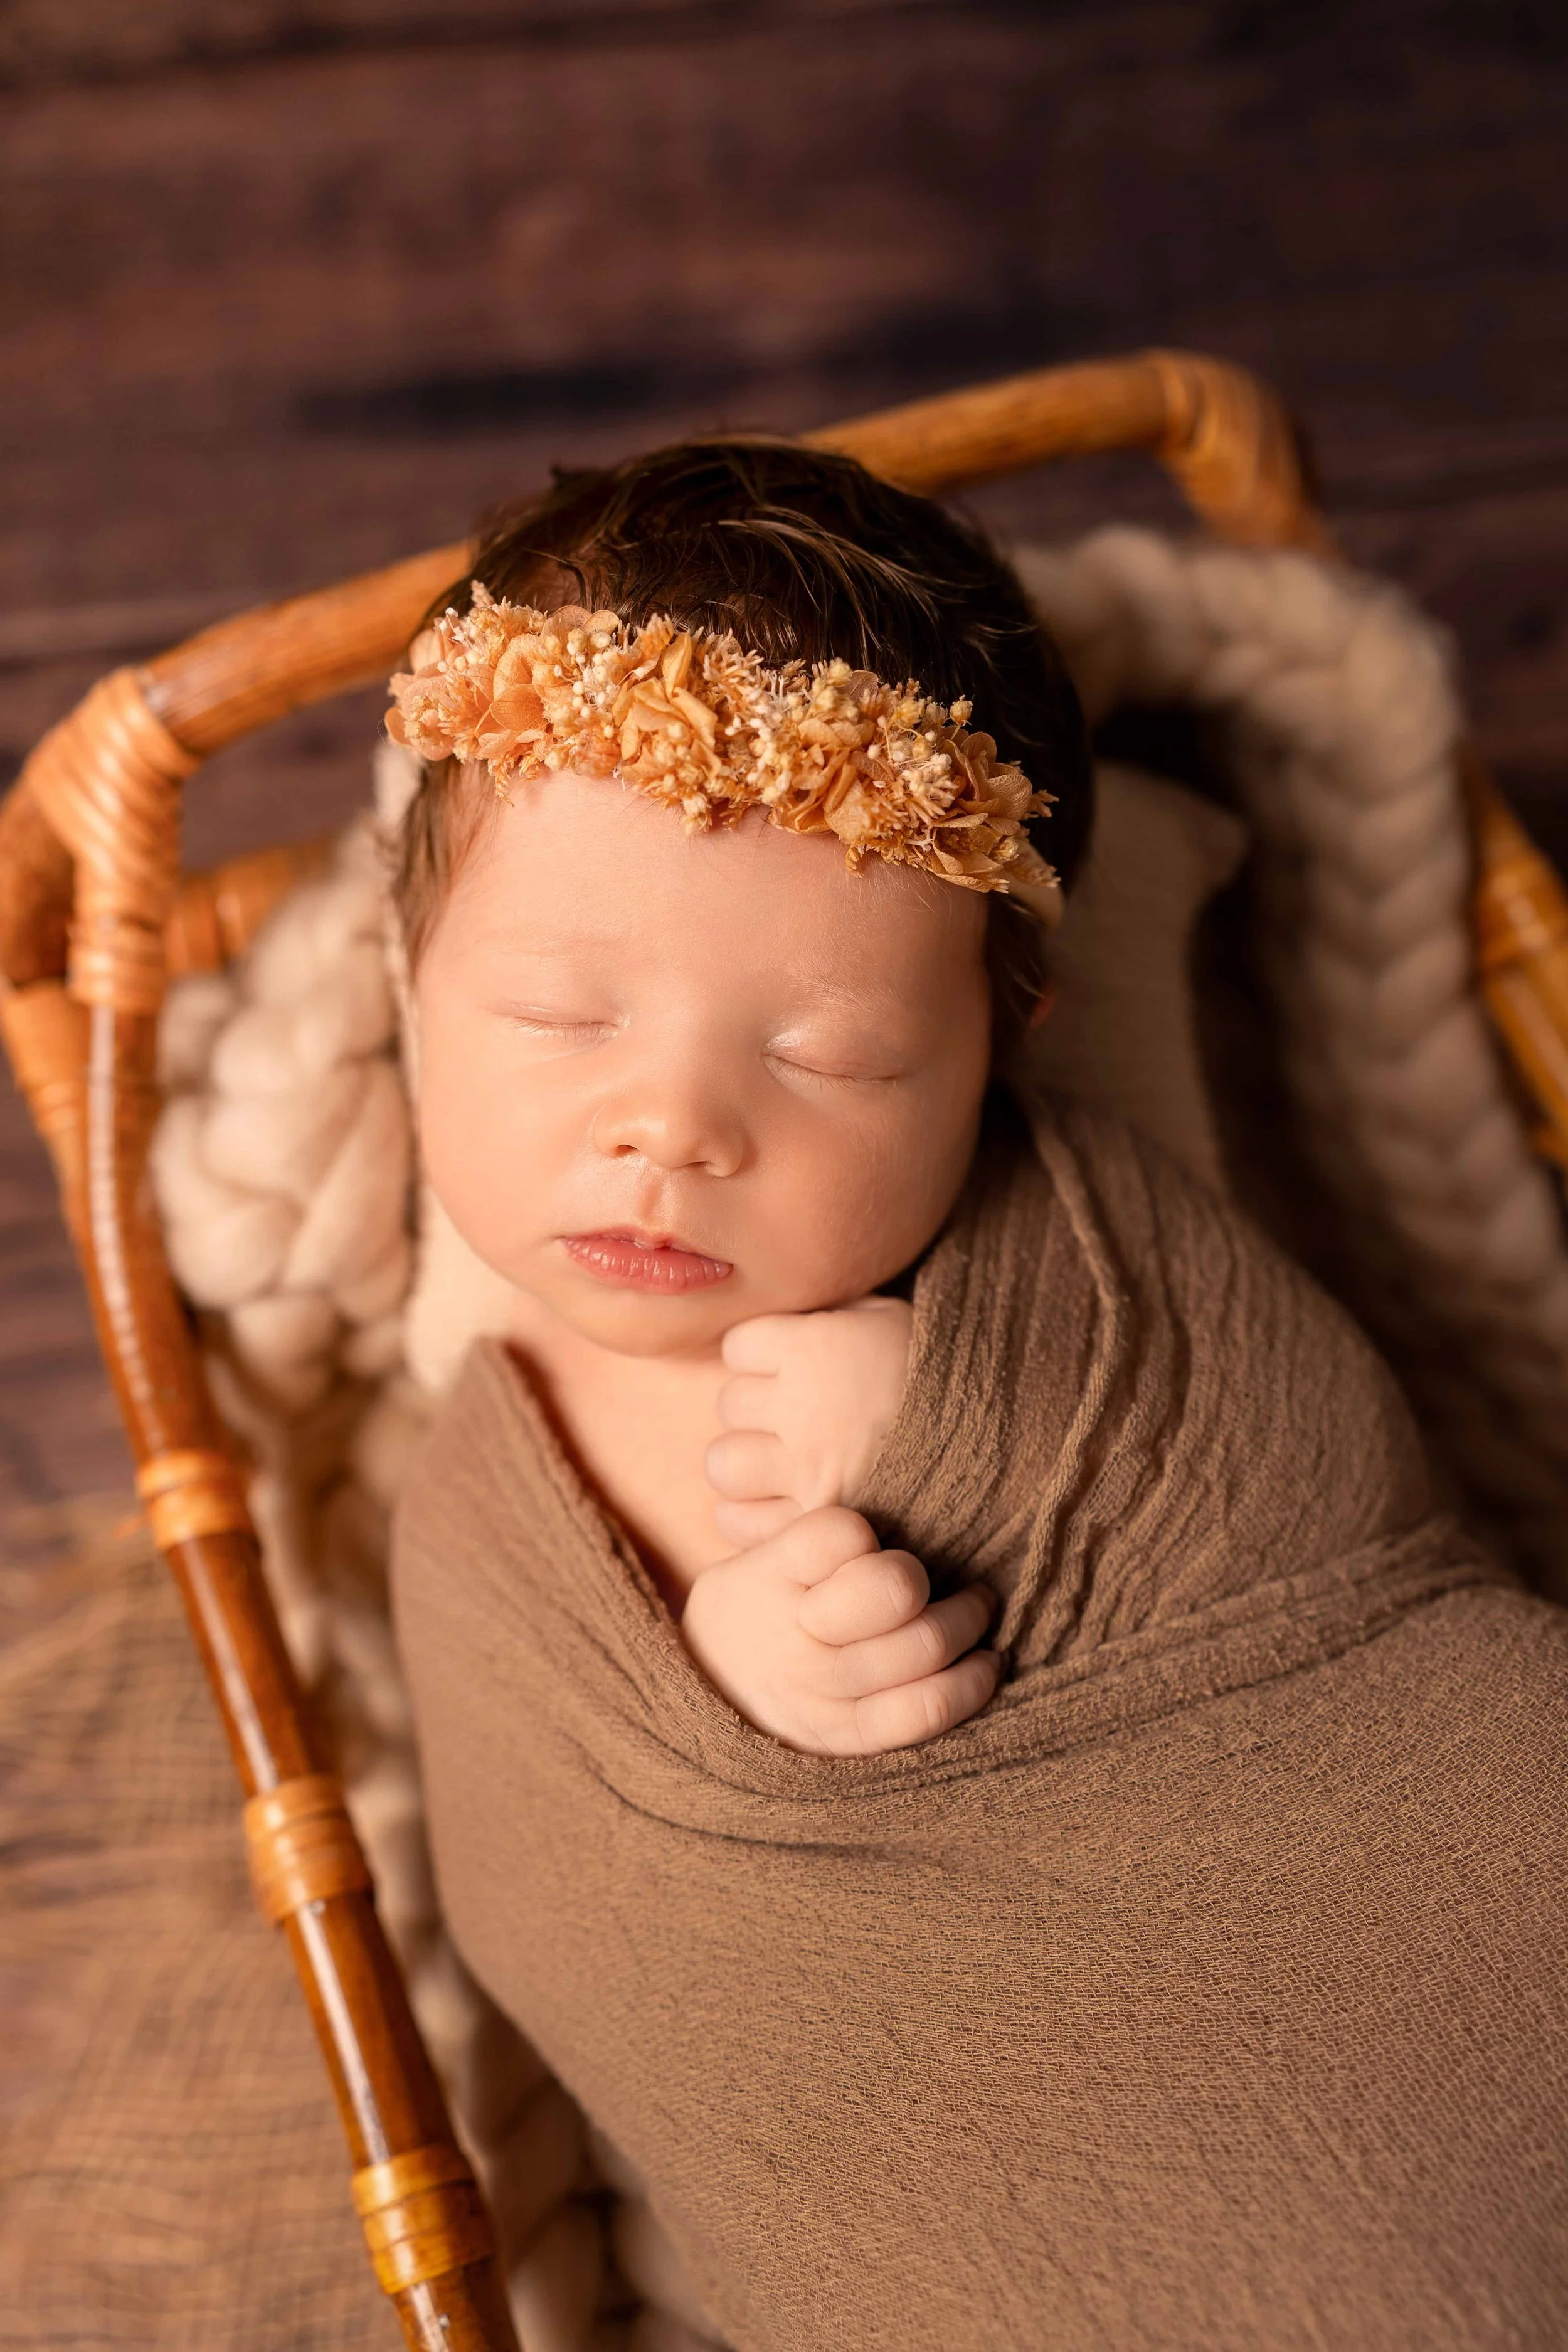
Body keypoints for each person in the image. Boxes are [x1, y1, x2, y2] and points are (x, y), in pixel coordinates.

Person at [389, 440, 1568, 2351]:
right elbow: (552, 1903)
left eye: (830, 1052)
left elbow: (1331, 1497)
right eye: (557, 1015)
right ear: (409, 976)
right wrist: (727, 1669)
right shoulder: (465, 1500)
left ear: (986, 1052)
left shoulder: (1076, 1238)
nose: (674, 1125)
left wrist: (976, 1418)